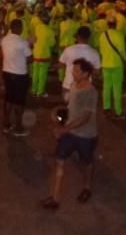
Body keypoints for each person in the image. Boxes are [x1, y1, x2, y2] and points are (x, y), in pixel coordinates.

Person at [42, 58, 98, 211]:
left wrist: (64, 129)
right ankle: (55, 198)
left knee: (87, 163)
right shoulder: (73, 85)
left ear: (86, 74)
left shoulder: (91, 92)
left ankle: (87, 188)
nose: (73, 73)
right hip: (69, 133)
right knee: (60, 161)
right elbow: (71, 107)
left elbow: (85, 117)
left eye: (76, 71)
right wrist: (59, 115)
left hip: (86, 135)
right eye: (73, 70)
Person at [0, 18, 32, 137]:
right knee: (19, 101)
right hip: (20, 74)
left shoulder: (5, 40)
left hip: (7, 72)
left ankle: (6, 124)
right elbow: (30, 59)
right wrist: (31, 44)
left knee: (8, 99)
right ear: (18, 28)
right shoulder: (22, 42)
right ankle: (18, 127)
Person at [58, 26, 101, 99]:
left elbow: (60, 64)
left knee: (70, 108)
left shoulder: (68, 50)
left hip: (68, 86)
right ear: (89, 37)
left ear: (77, 36)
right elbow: (97, 73)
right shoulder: (94, 53)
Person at [99, 13, 126, 120]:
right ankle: (118, 112)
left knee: (106, 88)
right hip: (117, 65)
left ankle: (106, 109)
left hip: (106, 64)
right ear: (115, 24)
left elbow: (101, 50)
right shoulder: (119, 35)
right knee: (117, 89)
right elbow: (122, 51)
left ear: (107, 24)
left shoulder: (103, 35)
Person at [32, 11, 56, 98]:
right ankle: (40, 92)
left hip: (36, 54)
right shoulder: (50, 31)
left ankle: (34, 90)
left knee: (35, 73)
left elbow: (34, 38)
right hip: (44, 55)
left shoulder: (37, 28)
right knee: (42, 75)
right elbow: (52, 44)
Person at [58, 11, 79, 82]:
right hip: (72, 44)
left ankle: (61, 77)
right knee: (71, 62)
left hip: (63, 44)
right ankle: (70, 76)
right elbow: (76, 34)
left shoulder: (62, 24)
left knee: (62, 60)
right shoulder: (76, 24)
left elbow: (61, 34)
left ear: (66, 16)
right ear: (72, 16)